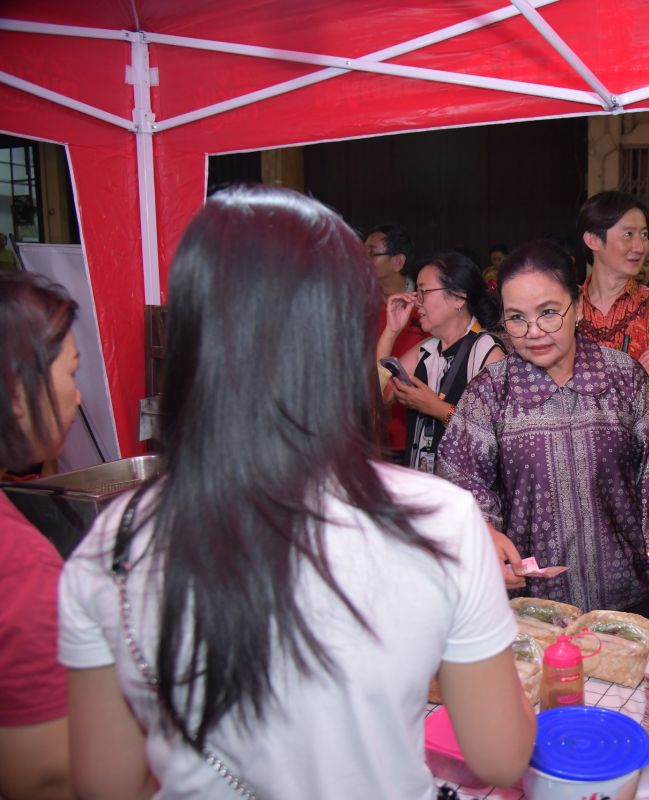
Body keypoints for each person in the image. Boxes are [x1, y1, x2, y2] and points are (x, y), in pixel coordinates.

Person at [58, 185, 534, 799]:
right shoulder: (437, 519)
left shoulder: (114, 543)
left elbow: (107, 782)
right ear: (343, 336)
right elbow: (500, 755)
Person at [436, 240, 649, 616]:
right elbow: (460, 480)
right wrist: (485, 533)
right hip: (533, 603)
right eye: (516, 318)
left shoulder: (624, 378)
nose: (533, 331)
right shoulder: (489, 394)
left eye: (549, 312)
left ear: (578, 307)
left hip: (622, 595)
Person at [0, 271, 77, 800]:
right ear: (18, 394)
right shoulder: (20, 564)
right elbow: (46, 773)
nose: (78, 393)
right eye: (72, 372)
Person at [376, 251, 505, 472]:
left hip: (467, 493)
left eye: (424, 291)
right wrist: (391, 331)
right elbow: (378, 395)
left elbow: (495, 436)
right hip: (424, 487)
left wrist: (436, 408)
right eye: (417, 291)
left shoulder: (488, 352)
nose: (417, 300)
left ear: (457, 298)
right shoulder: (426, 349)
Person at [577, 191, 649, 404]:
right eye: (628, 234)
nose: (640, 247)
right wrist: (634, 369)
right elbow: (551, 382)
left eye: (644, 235)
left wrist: (585, 378)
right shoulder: (568, 305)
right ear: (593, 239)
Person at [366, 223, 424, 458]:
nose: (363, 258)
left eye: (372, 252)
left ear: (398, 262)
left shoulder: (422, 305)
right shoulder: (358, 305)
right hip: (371, 434)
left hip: (415, 432)